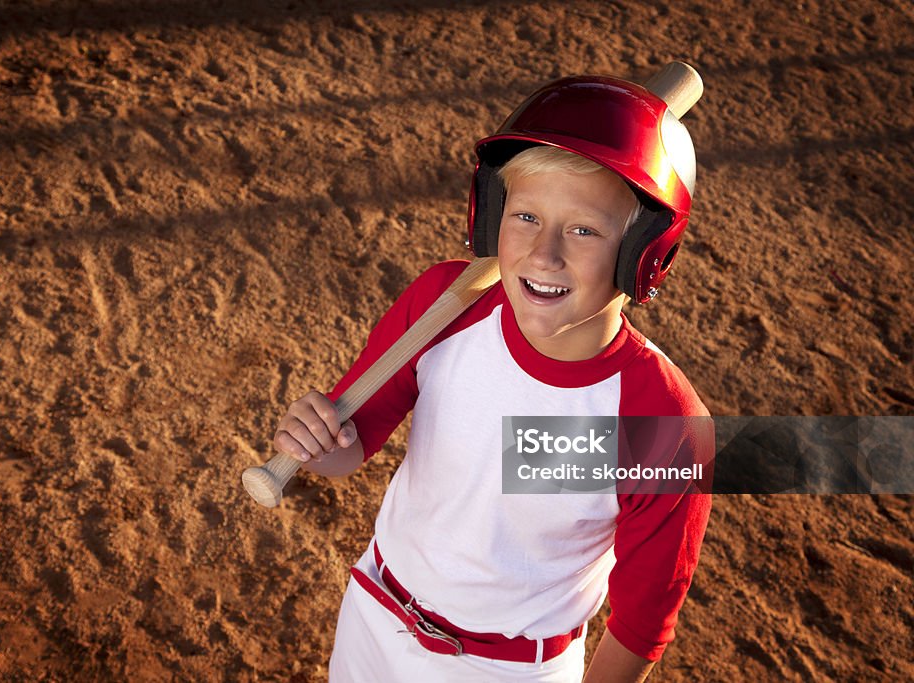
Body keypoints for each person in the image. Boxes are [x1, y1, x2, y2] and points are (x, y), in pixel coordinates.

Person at [273, 73, 714, 682]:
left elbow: (641, 627)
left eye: (583, 229)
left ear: (642, 251)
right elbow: (350, 449)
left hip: (506, 671)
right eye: (526, 215)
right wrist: (318, 441)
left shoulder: (662, 422)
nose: (544, 253)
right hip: (375, 619)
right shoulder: (442, 306)